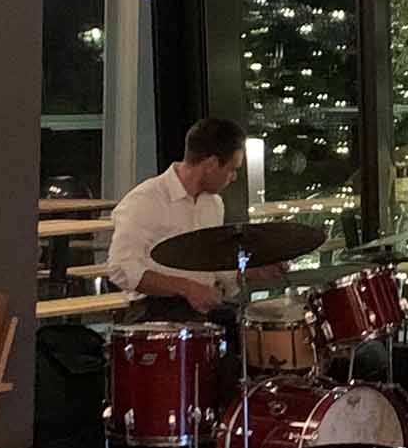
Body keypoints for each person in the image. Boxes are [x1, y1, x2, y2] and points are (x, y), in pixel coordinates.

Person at [108, 117, 284, 322]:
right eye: (232, 169)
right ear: (210, 164)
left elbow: (214, 270)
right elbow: (120, 268)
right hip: (155, 312)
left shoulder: (213, 204)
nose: (233, 177)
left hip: (201, 312)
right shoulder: (145, 200)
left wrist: (252, 271)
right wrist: (186, 288)